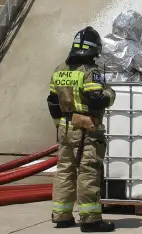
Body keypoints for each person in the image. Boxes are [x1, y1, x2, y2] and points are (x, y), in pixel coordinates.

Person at [46, 26, 117, 232]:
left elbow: (52, 102)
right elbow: (97, 98)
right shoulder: (90, 72)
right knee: (88, 171)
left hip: (64, 127)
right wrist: (110, 93)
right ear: (94, 49)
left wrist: (60, 125)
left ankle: (62, 216)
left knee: (64, 170)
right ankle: (91, 220)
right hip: (86, 129)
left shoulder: (59, 70)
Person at [97, 10, 142, 82]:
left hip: (101, 83)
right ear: (134, 30)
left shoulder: (104, 42)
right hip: (122, 87)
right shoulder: (129, 47)